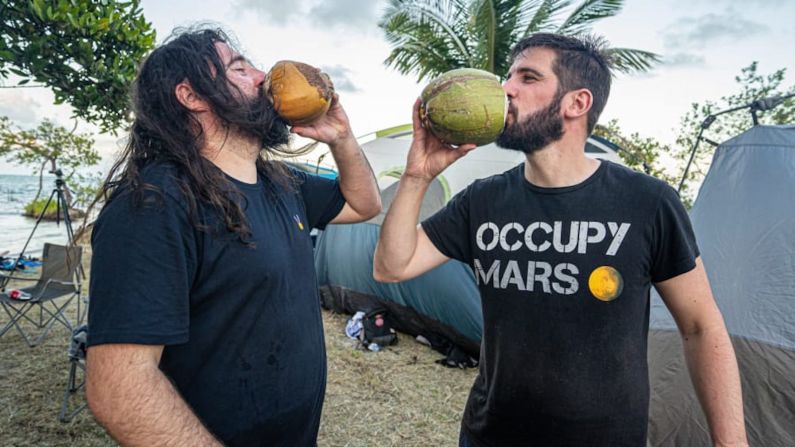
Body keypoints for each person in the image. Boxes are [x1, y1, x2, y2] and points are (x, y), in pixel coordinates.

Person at [373, 33, 747, 446]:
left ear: (577, 103)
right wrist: (417, 175)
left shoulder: (647, 202)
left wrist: (731, 442)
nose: (506, 90)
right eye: (508, 76)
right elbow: (392, 266)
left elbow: (700, 327)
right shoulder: (483, 200)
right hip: (490, 435)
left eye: (528, 78)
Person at [85, 27, 380, 446]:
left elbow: (365, 204)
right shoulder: (155, 202)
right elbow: (119, 390)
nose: (263, 76)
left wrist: (341, 137)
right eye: (239, 68)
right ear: (192, 96)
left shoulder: (282, 182)